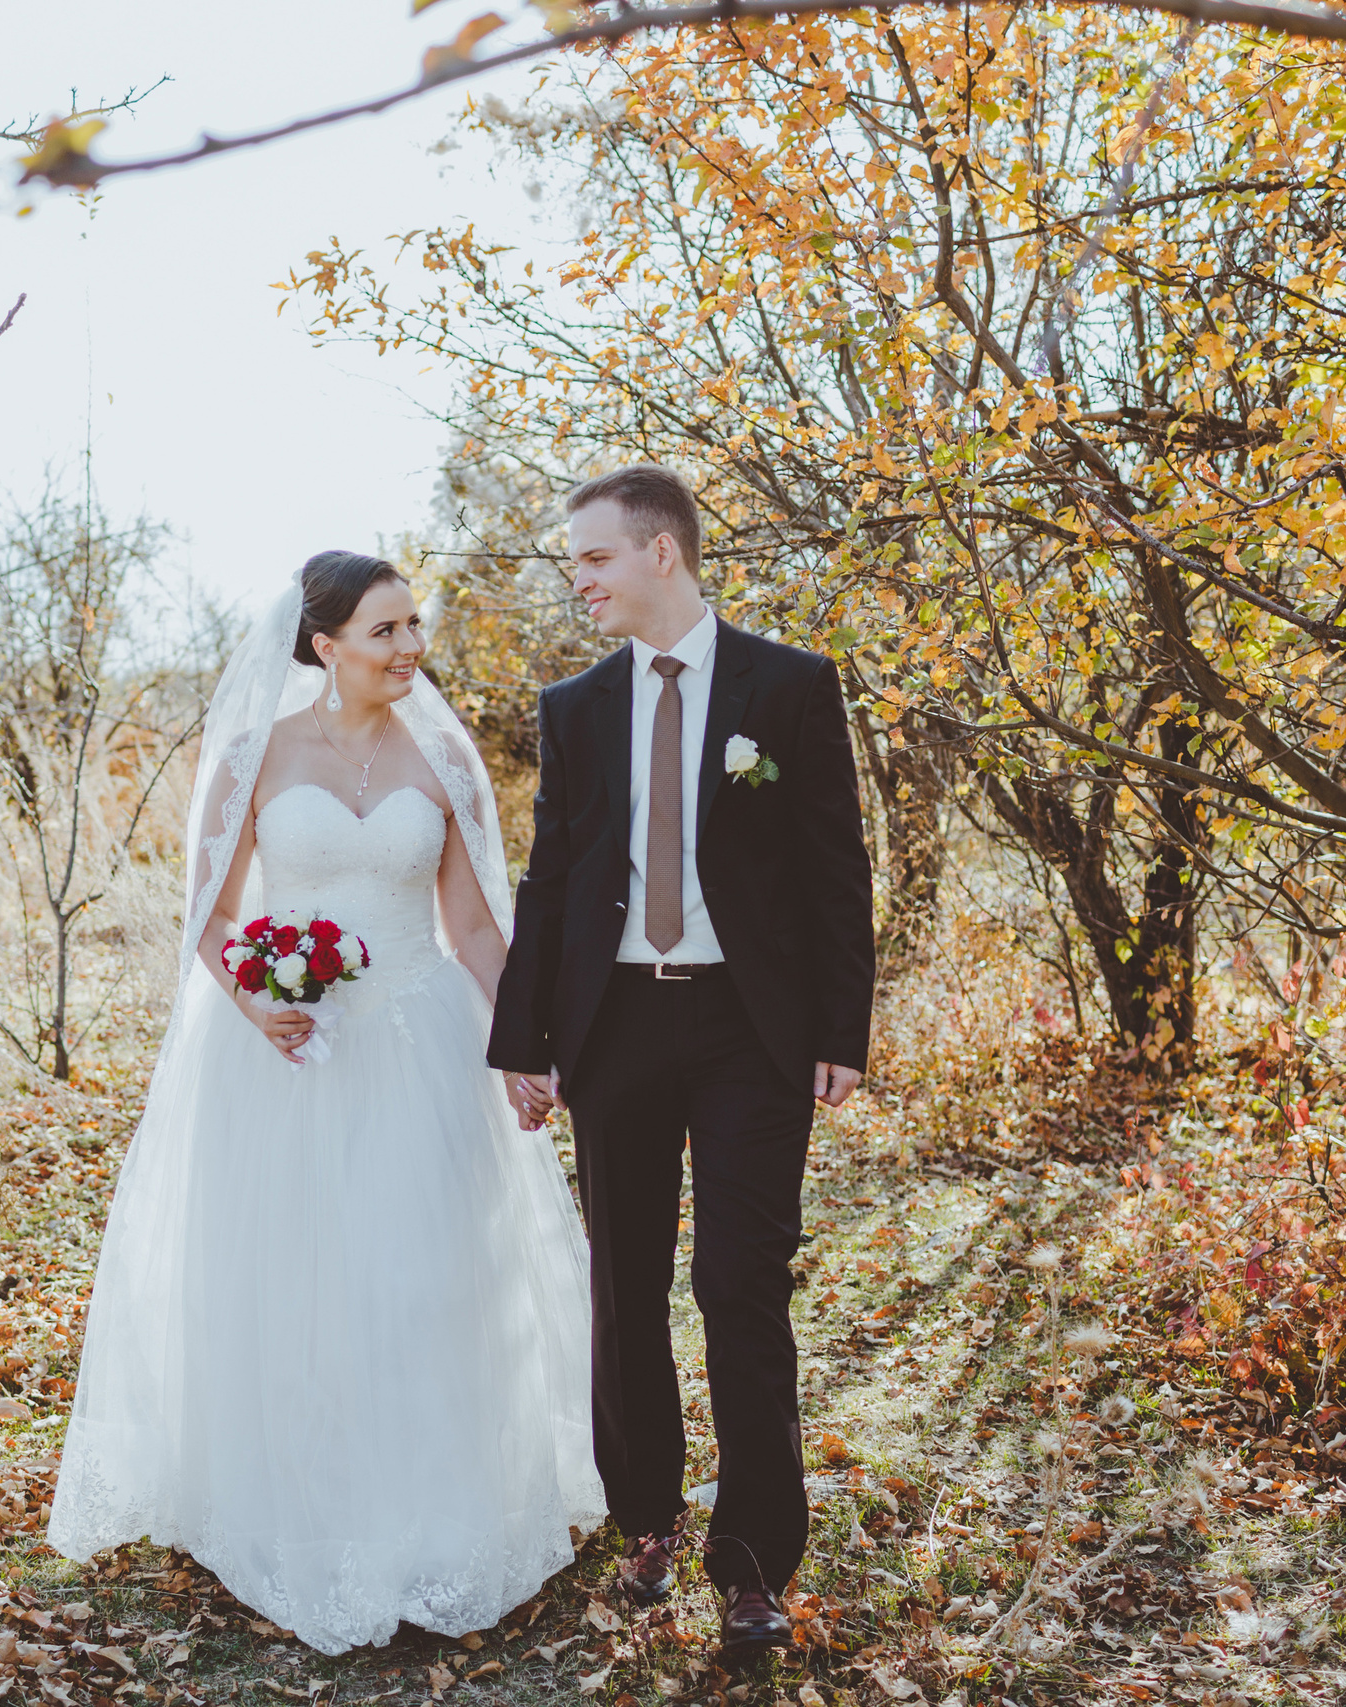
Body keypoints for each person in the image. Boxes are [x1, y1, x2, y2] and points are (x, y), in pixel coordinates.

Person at [48, 552, 603, 1655]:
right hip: (284, 1053)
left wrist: (523, 1045)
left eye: (413, 627)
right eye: (386, 631)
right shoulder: (257, 753)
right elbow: (207, 914)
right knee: (295, 1277)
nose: (410, 649)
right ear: (324, 645)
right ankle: (300, 1506)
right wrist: (257, 1005)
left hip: (420, 1037)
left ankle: (437, 1515)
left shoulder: (444, 756)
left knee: (426, 1273)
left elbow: (478, 927)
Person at [488, 464, 877, 1658]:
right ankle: (644, 1517)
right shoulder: (577, 707)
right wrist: (525, 1042)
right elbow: (553, 881)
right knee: (627, 1286)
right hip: (617, 1029)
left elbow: (833, 870)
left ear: (663, 554)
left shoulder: (793, 686)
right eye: (573, 565)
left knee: (741, 1288)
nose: (580, 582)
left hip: (751, 1033)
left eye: (594, 559)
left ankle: (754, 1565)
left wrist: (839, 1032)